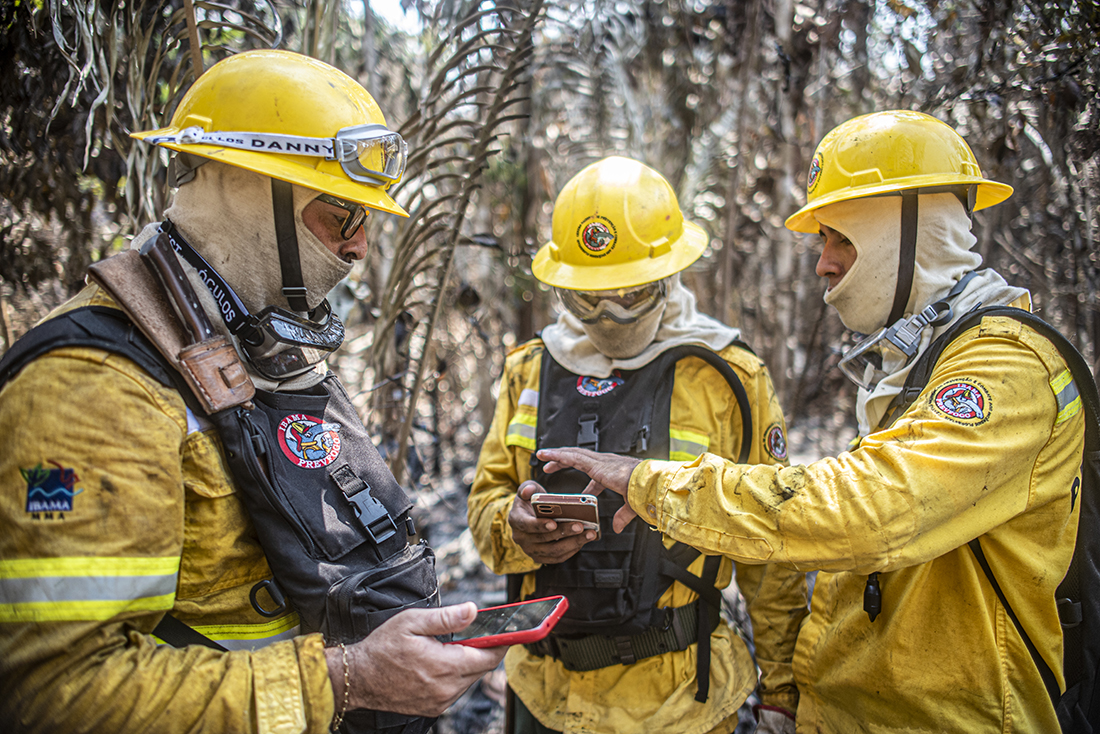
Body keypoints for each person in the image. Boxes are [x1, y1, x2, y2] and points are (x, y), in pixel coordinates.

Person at [0, 50, 504, 733]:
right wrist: (344, 682)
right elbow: (55, 689)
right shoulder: (91, 389)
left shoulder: (250, 348)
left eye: (365, 221)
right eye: (340, 215)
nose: (359, 248)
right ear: (247, 193)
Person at [537, 111, 1085, 732]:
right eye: (822, 241)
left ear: (911, 234)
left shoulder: (1003, 368)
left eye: (843, 239)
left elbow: (871, 509)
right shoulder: (919, 363)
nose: (824, 264)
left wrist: (654, 484)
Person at [467, 156, 808, 734]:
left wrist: (782, 686)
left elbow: (770, 544)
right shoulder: (530, 369)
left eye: (629, 292)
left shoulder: (727, 377)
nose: (608, 314)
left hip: (678, 705)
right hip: (543, 693)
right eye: (586, 297)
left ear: (668, 275)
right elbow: (485, 510)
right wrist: (517, 527)